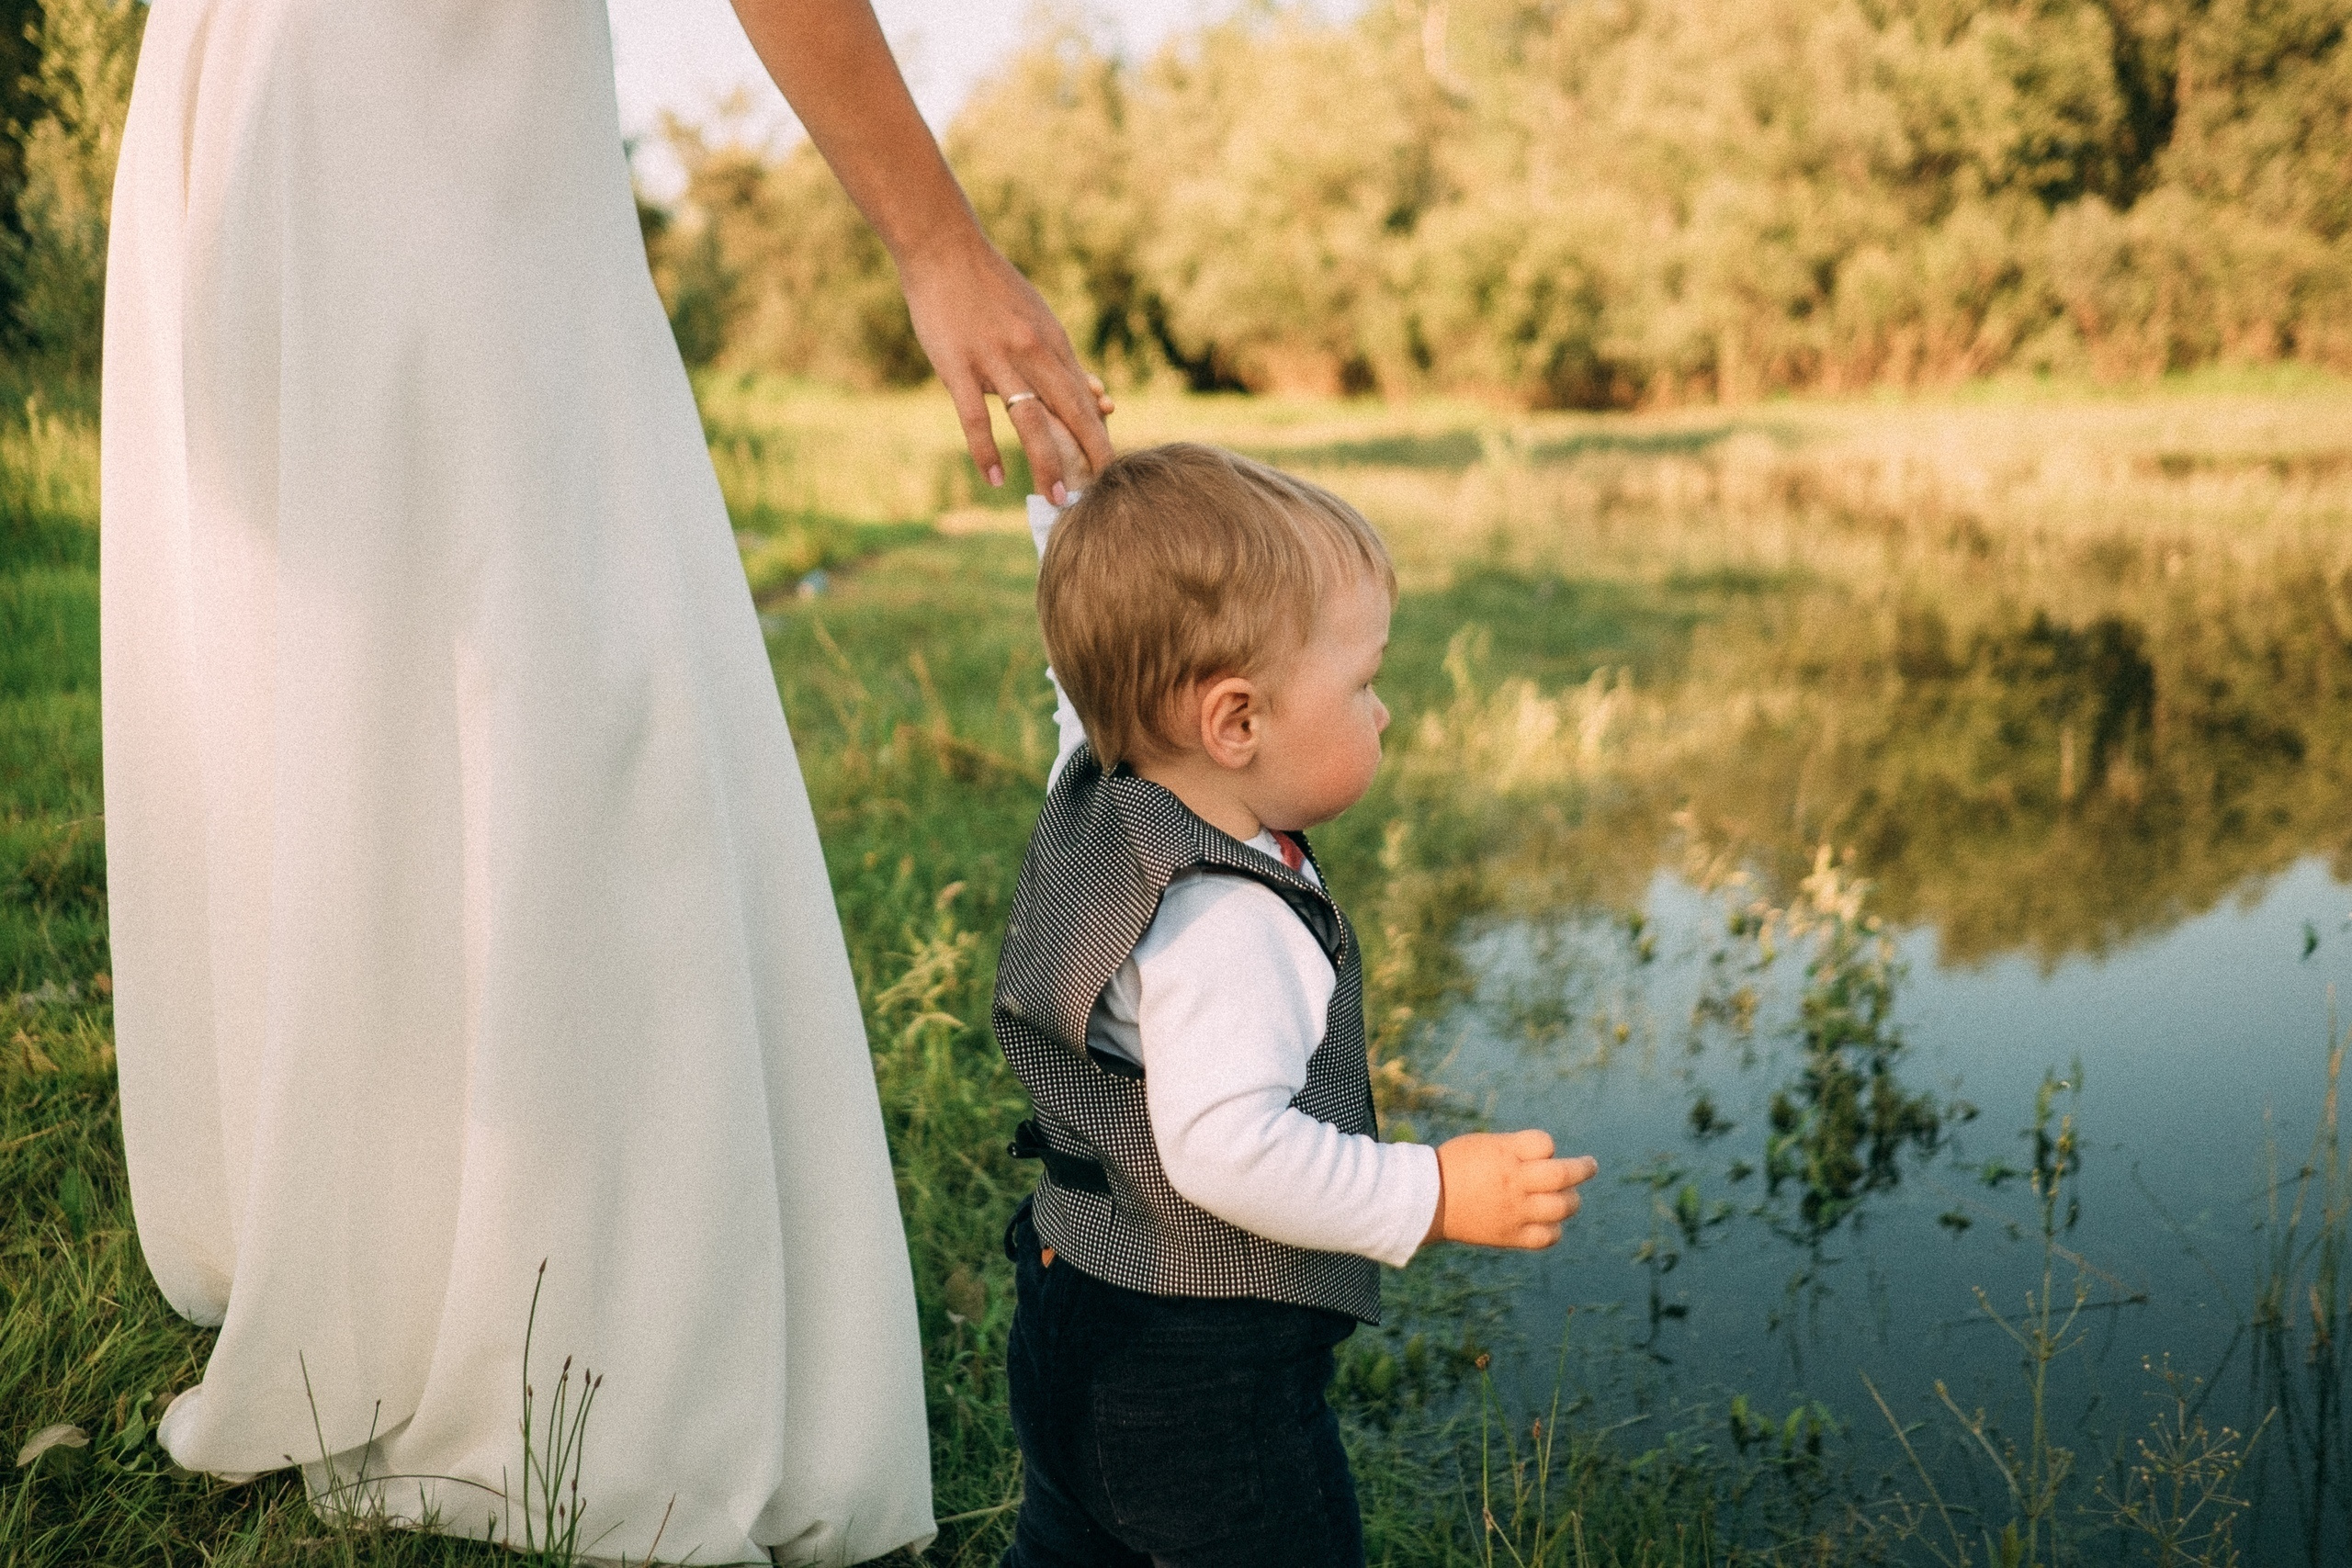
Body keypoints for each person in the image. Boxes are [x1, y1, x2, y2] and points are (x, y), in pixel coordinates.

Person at [101, 1, 1106, 1562]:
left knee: (368, 671)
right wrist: (936, 241)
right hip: (405, 86)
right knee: (546, 654)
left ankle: (388, 1236)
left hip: (270, 81)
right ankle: (554, 1310)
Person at [992, 439, 1600, 1566]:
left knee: (1072, 1547)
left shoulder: (1104, 780)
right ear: (1234, 723)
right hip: (1200, 1379)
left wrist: (1065, 517)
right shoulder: (1231, 922)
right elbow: (1223, 1149)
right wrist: (1430, 1191)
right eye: (1362, 682)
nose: (1383, 714)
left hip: (1073, 1295)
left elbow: (1076, 690)